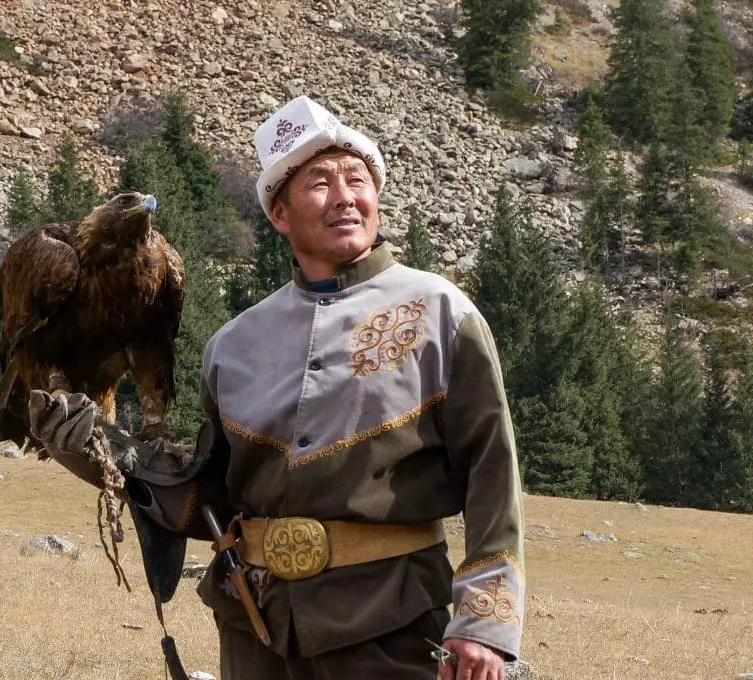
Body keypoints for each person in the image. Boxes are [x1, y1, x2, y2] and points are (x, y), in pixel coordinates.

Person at [28, 95, 525, 680]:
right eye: (320, 182)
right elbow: (215, 503)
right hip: (255, 628)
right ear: (280, 214)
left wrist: (483, 626)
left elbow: (493, 469)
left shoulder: (440, 312)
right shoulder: (234, 345)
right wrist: (107, 457)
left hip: (391, 621)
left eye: (357, 179)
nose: (344, 196)